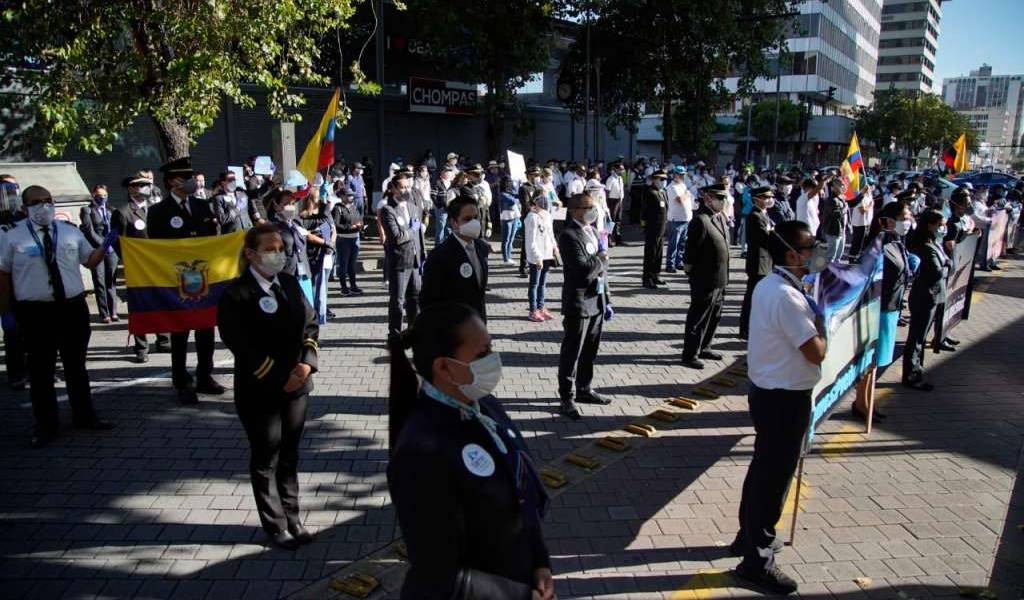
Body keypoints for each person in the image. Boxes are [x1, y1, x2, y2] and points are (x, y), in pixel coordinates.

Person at [386, 302, 554, 600]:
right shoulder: (422, 450)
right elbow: (437, 575)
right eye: (481, 355)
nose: (493, 361)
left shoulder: (484, 406)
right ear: (443, 367)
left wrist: (540, 562)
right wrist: (520, 595)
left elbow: (521, 491)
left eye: (491, 348)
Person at [733, 219, 826, 595]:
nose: (815, 256)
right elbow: (815, 351)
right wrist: (824, 322)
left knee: (763, 471)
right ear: (790, 253)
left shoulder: (772, 284)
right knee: (773, 482)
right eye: (808, 250)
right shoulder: (786, 297)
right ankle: (757, 561)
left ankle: (746, 536)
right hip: (783, 398)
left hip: (771, 393)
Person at [217, 223, 319, 550]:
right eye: (270, 249)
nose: (278, 254)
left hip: (298, 385)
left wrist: (306, 363)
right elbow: (242, 346)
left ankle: (293, 515)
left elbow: (311, 324)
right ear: (250, 254)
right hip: (260, 390)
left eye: (280, 248)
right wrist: (281, 377)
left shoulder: (289, 283)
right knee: (266, 456)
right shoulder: (235, 294)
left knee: (289, 453)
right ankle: (274, 524)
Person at [0, 185, 117, 448]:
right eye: (36, 202)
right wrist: (5, 312)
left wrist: (108, 244)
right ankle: (46, 424)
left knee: (76, 367)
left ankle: (85, 416)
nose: (44, 206)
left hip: (71, 309)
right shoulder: (12, 237)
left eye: (48, 200)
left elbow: (90, 261)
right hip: (35, 312)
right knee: (41, 371)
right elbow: (3, 275)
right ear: (24, 207)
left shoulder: (69, 232)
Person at [147, 157, 225, 404]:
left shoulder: (204, 207)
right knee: (179, 332)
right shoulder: (158, 212)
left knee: (205, 330)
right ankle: (181, 381)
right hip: (176, 281)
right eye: (186, 178)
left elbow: (213, 241)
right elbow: (157, 249)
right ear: (172, 182)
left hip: (203, 278)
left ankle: (205, 376)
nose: (192, 182)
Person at [557, 192, 611, 420]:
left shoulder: (592, 231)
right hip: (578, 303)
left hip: (596, 300)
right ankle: (566, 397)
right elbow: (583, 269)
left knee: (590, 349)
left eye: (594, 206)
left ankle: (584, 389)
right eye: (589, 207)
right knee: (572, 351)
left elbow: (600, 271)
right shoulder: (569, 235)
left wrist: (607, 297)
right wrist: (601, 258)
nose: (593, 210)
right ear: (575, 210)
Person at [861, 201, 915, 421]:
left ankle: (865, 403)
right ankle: (864, 405)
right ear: (890, 220)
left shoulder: (897, 241)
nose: (908, 222)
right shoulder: (878, 243)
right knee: (872, 361)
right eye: (904, 217)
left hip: (893, 307)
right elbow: (868, 277)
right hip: (879, 309)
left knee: (879, 360)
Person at [112, 172, 165, 362]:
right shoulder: (123, 212)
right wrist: (129, 260)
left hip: (158, 265)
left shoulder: (156, 209)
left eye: (147, 184)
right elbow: (119, 242)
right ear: (131, 188)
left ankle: (164, 339)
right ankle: (141, 347)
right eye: (142, 184)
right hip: (138, 267)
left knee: (161, 300)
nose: (146, 188)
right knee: (140, 306)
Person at [681, 185, 731, 369]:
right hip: (704, 277)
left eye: (724, 198)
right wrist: (691, 272)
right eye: (719, 198)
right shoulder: (701, 220)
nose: (723, 201)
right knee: (699, 316)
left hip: (720, 276)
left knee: (715, 315)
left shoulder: (718, 218)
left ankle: (705, 346)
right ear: (708, 198)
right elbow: (691, 251)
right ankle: (690, 354)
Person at [421, 194, 490, 321]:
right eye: (467, 219)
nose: (474, 223)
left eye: (476, 218)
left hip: (477, 325)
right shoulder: (440, 255)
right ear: (454, 222)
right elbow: (428, 299)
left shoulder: (482, 248)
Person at [903, 209, 949, 391]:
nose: (943, 228)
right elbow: (936, 272)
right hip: (925, 296)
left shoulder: (934, 243)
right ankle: (911, 374)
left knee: (920, 338)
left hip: (932, 295)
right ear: (930, 225)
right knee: (916, 339)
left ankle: (917, 370)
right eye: (940, 225)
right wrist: (947, 264)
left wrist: (946, 263)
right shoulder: (924, 246)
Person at [381, 171, 424, 333]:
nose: (406, 191)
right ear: (393, 188)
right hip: (399, 261)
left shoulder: (413, 207)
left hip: (415, 260)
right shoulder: (388, 210)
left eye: (408, 187)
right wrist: (412, 230)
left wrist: (422, 256)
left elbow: (419, 236)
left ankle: (414, 330)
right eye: (402, 188)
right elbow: (398, 237)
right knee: (398, 300)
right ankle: (395, 332)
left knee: (415, 297)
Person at [0, 175, 28, 389]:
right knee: (13, 334)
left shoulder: (25, 217)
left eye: (14, 188)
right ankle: (16, 374)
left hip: (28, 282)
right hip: (5, 285)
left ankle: (40, 370)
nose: (11, 193)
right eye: (6, 188)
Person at [79, 184, 120, 323]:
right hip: (96, 250)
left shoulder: (111, 210)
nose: (101, 197)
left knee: (111, 281)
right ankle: (104, 313)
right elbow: (89, 231)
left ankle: (114, 311)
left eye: (104, 195)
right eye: (98, 195)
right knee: (99, 281)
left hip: (112, 251)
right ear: (93, 195)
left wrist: (112, 245)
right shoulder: (87, 210)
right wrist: (103, 245)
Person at [739, 186, 776, 340]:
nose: (769, 200)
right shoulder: (754, 216)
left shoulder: (764, 214)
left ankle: (753, 327)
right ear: (756, 199)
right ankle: (745, 329)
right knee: (752, 297)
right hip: (758, 262)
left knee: (759, 297)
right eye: (765, 197)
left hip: (765, 262)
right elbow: (765, 238)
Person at [524, 194, 559, 322]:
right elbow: (530, 241)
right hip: (537, 255)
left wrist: (555, 247)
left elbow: (550, 233)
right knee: (534, 283)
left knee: (543, 283)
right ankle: (533, 310)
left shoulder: (547, 215)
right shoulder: (531, 217)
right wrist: (537, 257)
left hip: (547, 254)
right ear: (535, 201)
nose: (545, 201)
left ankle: (541, 306)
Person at [331, 185, 363, 296]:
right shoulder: (337, 208)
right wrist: (349, 227)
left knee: (352, 264)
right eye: (348, 195)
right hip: (343, 239)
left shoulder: (353, 207)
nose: (351, 197)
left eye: (352, 195)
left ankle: (353, 286)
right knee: (343, 264)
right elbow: (336, 225)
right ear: (342, 196)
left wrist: (360, 225)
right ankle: (343, 287)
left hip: (355, 238)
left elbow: (359, 219)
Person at [641, 169, 669, 289]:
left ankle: (655, 275)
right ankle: (647, 278)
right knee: (650, 254)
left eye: (665, 180)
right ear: (654, 179)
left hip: (661, 228)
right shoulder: (649, 192)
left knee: (658, 253)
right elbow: (644, 211)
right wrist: (644, 225)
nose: (663, 182)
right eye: (661, 179)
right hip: (652, 227)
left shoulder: (662, 192)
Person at [665, 166, 694, 273]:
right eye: (680, 174)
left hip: (686, 218)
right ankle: (670, 264)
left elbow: (687, 199)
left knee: (682, 243)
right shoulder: (672, 187)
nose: (682, 176)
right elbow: (680, 200)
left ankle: (678, 262)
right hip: (676, 219)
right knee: (674, 243)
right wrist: (688, 193)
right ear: (674, 175)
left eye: (683, 174)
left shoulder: (682, 185)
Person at [518, 167, 542, 278]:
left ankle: (535, 262)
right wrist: (535, 201)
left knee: (537, 241)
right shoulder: (524, 188)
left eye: (538, 175)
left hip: (539, 217)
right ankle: (523, 266)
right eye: (534, 175)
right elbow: (526, 205)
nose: (537, 177)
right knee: (526, 242)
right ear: (528, 175)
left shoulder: (538, 187)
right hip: (528, 217)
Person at [499, 177, 522, 265]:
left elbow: (518, 197)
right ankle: (505, 259)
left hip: (515, 217)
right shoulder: (502, 194)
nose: (510, 183)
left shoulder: (511, 192)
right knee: (506, 239)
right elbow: (512, 201)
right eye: (508, 182)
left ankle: (509, 257)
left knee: (511, 239)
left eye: (511, 182)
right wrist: (517, 199)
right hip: (507, 218)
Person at [431, 166, 455, 245]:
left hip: (450, 209)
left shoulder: (452, 183)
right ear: (442, 173)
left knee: (449, 227)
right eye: (446, 171)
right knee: (441, 227)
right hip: (441, 209)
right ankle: (439, 245)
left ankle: (447, 244)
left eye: (449, 171)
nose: (448, 173)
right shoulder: (437, 182)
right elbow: (433, 195)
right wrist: (439, 205)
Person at [605, 162, 625, 245]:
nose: (622, 171)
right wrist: (607, 204)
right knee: (611, 221)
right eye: (621, 169)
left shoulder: (620, 178)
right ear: (616, 169)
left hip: (619, 200)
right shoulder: (611, 179)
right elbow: (607, 191)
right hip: (612, 201)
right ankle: (608, 239)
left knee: (618, 220)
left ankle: (618, 239)